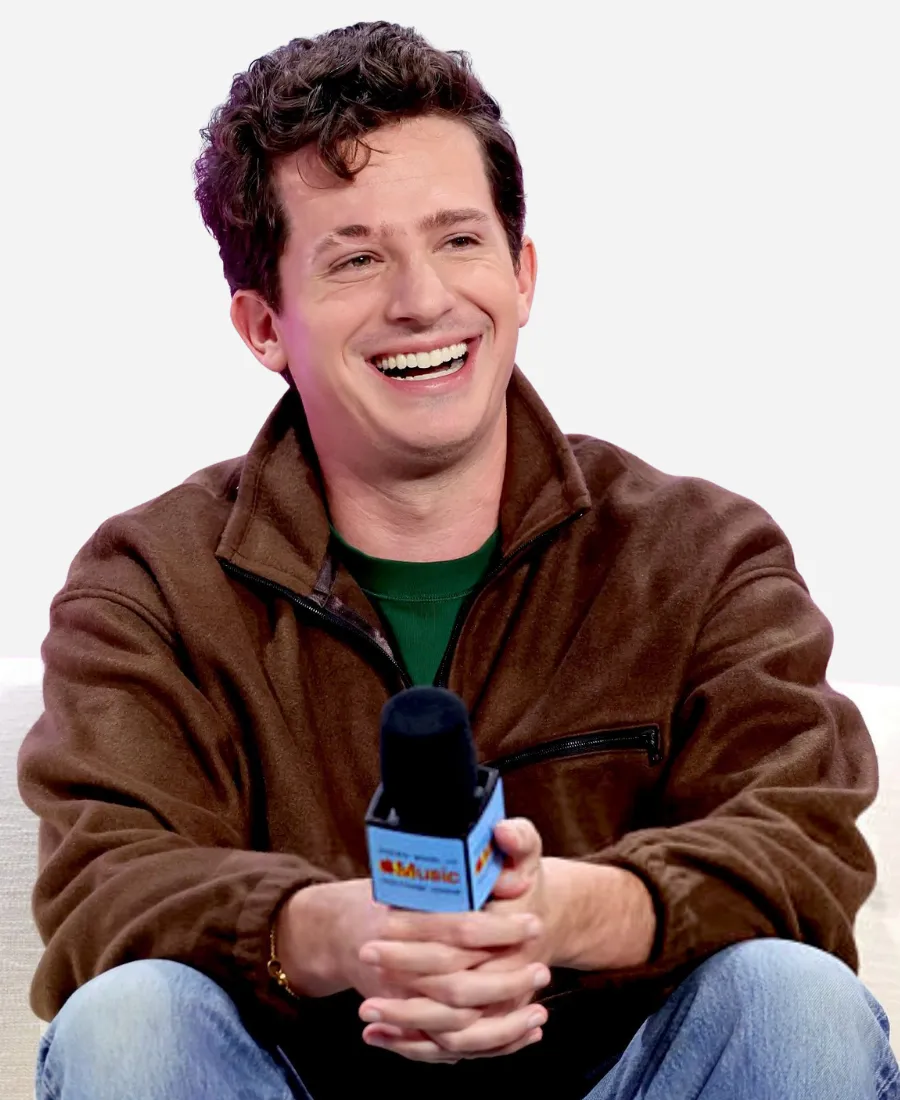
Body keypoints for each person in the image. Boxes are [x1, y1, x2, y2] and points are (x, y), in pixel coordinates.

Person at [17, 20, 898, 1100]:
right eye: (356, 258)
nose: (423, 298)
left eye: (459, 241)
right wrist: (330, 930)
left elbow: (806, 841)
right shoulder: (147, 584)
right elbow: (104, 883)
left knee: (795, 999)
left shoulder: (703, 556)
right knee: (127, 1023)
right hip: (288, 1080)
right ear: (263, 325)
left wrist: (568, 912)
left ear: (522, 274)